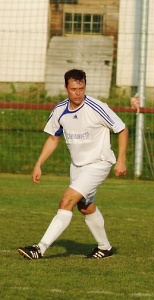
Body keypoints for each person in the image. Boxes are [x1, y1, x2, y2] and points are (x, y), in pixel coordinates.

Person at [18, 69, 128, 260]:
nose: (78, 93)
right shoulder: (60, 110)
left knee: (66, 200)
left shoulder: (97, 107)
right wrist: (39, 164)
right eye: (73, 89)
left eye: (81, 88)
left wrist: (121, 160)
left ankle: (40, 248)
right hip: (77, 166)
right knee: (85, 206)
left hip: (98, 163)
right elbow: (53, 138)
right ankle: (105, 247)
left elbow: (122, 129)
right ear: (66, 88)